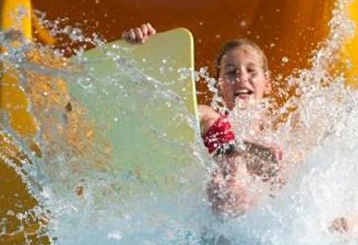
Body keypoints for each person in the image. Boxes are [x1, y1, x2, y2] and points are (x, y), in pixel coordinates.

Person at [122, 23, 284, 219]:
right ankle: (234, 173)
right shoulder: (207, 118)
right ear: (219, 85)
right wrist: (144, 51)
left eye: (251, 71)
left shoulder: (283, 138)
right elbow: (166, 108)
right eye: (231, 72)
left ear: (268, 84)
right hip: (215, 225)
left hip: (259, 224)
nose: (242, 78)